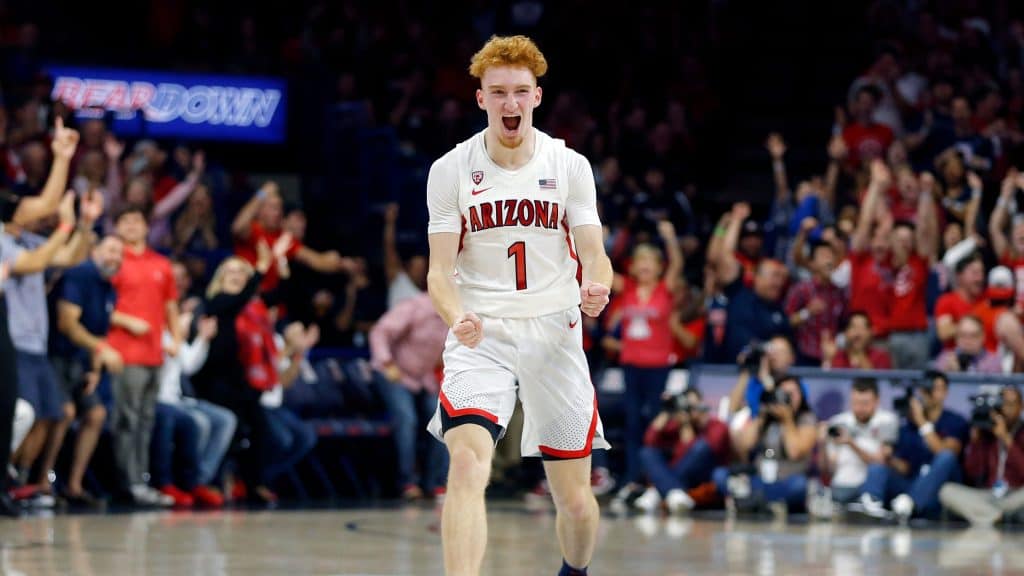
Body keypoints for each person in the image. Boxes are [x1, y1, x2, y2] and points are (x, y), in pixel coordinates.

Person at [424, 35, 613, 576]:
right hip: (480, 331)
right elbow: (439, 271)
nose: (511, 103)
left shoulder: (569, 164)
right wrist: (454, 314)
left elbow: (596, 257)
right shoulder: (450, 169)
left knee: (575, 501)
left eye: (521, 92)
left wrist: (598, 286)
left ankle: (573, 571)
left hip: (554, 331)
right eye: (499, 92)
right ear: (480, 98)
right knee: (465, 463)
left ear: (537, 97)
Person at [6, 191, 100, 503]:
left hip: (37, 344)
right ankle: (8, 477)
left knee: (52, 413)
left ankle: (21, 480)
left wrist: (84, 225)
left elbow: (71, 257)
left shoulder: (31, 241)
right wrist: (64, 227)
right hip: (15, 343)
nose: (41, 212)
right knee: (23, 415)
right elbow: (39, 262)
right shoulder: (5, 242)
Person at [105, 204, 182, 506]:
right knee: (127, 418)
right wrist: (126, 321)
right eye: (124, 220)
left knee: (146, 420)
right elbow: (101, 306)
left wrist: (175, 338)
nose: (131, 226)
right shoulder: (114, 260)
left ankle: (141, 480)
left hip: (154, 354)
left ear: (147, 227)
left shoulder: (161, 264)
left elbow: (170, 305)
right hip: (125, 352)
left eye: (136, 220)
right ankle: (128, 482)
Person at [603, 220, 683, 497]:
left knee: (654, 422)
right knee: (633, 422)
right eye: (641, 260)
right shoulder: (627, 290)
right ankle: (632, 478)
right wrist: (600, 243)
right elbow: (602, 272)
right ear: (634, 266)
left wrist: (670, 238)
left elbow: (678, 266)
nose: (646, 265)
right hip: (632, 364)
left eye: (651, 260)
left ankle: (654, 479)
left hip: (659, 366)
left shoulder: (665, 289)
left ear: (659, 266)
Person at [52, 235, 124, 507]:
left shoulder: (108, 287)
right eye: (110, 250)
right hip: (57, 355)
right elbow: (67, 323)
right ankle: (43, 483)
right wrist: (101, 350)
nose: (115, 257)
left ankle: (74, 485)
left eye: (120, 254)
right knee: (64, 412)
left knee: (96, 414)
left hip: (80, 361)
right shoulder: (80, 275)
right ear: (94, 250)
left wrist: (94, 367)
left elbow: (99, 332)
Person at [369, 292, 450, 500]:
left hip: (422, 378)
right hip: (394, 373)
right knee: (406, 419)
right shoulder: (418, 306)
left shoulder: (456, 317)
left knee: (443, 417)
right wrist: (387, 362)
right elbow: (379, 332)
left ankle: (436, 483)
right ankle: (407, 482)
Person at [858, 370, 968, 522]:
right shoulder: (908, 426)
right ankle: (871, 505)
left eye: (937, 389)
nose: (932, 394)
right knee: (877, 467)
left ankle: (911, 503)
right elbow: (905, 468)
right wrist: (890, 459)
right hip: (911, 485)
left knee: (946, 457)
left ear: (946, 391)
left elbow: (945, 452)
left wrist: (922, 422)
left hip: (941, 488)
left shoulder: (955, 421)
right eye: (927, 389)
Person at [715, 375, 817, 513]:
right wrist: (761, 415)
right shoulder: (766, 418)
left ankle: (755, 502)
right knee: (720, 475)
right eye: (782, 394)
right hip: (759, 480)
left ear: (801, 396)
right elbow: (744, 447)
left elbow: (795, 452)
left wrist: (787, 420)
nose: (787, 398)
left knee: (799, 486)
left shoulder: (806, 419)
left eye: (791, 394)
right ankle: (765, 503)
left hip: (786, 481)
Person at [706, 201, 792, 363]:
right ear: (757, 277)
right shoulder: (739, 292)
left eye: (781, 277)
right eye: (774, 276)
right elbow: (723, 257)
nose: (778, 282)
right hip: (726, 369)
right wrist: (736, 220)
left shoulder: (778, 309)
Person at [634, 388, 729, 514]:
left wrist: (687, 427)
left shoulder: (717, 425)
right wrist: (666, 411)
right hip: (679, 475)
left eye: (692, 407)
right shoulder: (675, 426)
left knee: (701, 448)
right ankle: (675, 493)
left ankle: (658, 492)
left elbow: (699, 456)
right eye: (686, 407)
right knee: (647, 453)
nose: (689, 411)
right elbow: (649, 441)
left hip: (704, 474)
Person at [939, 385, 1024, 526]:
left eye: (1011, 404)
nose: (1006, 409)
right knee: (946, 491)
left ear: (1020, 407)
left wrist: (1006, 439)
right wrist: (975, 442)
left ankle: (986, 515)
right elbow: (972, 473)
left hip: (1015, 494)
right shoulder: (987, 431)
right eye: (1002, 404)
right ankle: (997, 517)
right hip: (988, 495)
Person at [822, 378, 899, 504]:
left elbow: (880, 462)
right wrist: (822, 444)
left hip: (870, 485)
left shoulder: (887, 421)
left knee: (876, 472)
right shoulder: (838, 422)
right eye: (855, 403)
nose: (860, 408)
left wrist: (851, 443)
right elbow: (829, 468)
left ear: (877, 401)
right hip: (842, 485)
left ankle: (870, 503)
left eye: (865, 403)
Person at [784, 234, 845, 366]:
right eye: (823, 256)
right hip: (805, 355)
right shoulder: (801, 289)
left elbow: (844, 325)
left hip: (833, 355)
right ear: (812, 263)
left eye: (831, 256)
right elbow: (787, 322)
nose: (828, 260)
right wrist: (807, 312)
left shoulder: (839, 292)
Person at [934, 315, 1004, 374]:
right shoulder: (945, 359)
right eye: (963, 335)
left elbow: (992, 388)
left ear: (983, 337)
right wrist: (947, 372)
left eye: (973, 335)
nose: (967, 341)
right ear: (956, 337)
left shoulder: (993, 362)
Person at [821, 312, 893, 369]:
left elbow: (878, 384)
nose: (858, 333)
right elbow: (825, 384)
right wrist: (828, 359)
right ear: (845, 333)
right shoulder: (837, 356)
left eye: (862, 328)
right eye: (853, 327)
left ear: (871, 332)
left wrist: (860, 354)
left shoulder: (881, 357)